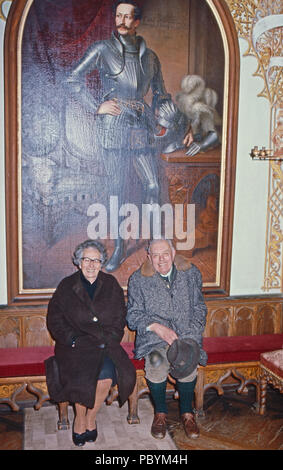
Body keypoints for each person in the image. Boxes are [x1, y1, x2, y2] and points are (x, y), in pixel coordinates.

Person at [65, 1, 193, 272]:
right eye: (118, 15)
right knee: (117, 192)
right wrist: (95, 106)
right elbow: (72, 79)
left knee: (152, 187)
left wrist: (183, 125)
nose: (121, 21)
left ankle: (157, 245)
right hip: (113, 126)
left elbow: (161, 96)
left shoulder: (151, 58)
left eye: (128, 17)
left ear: (137, 22)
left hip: (141, 125)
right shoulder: (102, 49)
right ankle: (119, 248)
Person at [46, 239, 136, 446]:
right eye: (87, 259)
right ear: (78, 262)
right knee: (81, 377)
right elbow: (55, 319)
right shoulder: (67, 286)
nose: (91, 264)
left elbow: (119, 317)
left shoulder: (111, 284)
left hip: (104, 344)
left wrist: (111, 338)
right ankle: (79, 418)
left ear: (102, 263)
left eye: (96, 260)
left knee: (105, 378)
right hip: (74, 347)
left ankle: (90, 417)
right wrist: (72, 339)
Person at [126, 238, 207, 439]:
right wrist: (157, 328)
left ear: (173, 253)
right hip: (155, 339)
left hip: (186, 335)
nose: (161, 259)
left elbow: (199, 308)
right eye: (155, 255)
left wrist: (190, 333)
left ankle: (187, 414)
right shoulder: (138, 280)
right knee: (155, 362)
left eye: (165, 254)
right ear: (149, 257)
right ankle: (160, 413)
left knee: (188, 362)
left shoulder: (191, 273)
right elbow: (133, 316)